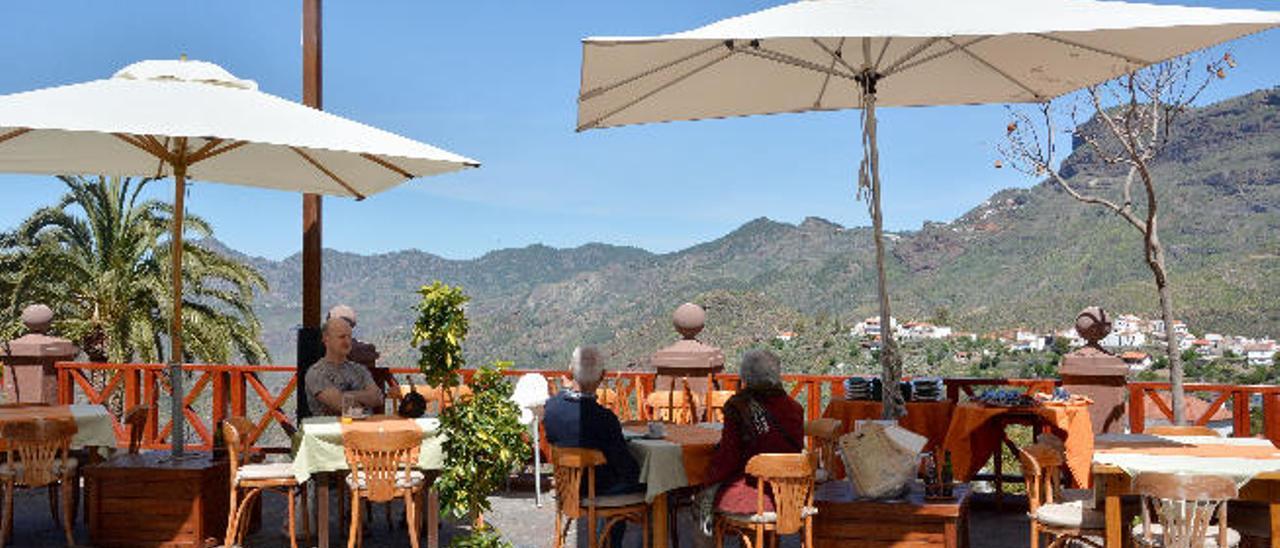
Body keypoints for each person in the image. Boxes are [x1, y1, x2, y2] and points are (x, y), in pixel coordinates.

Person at [543, 346, 642, 544]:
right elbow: (625, 467)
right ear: (602, 376)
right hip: (594, 492)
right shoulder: (604, 419)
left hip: (566, 488)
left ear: (570, 372)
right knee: (657, 490)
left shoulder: (551, 407)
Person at [703, 349, 804, 517]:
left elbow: (729, 457)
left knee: (702, 504)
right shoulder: (795, 408)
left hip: (754, 495)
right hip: (790, 494)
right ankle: (764, 541)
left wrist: (706, 480)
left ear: (745, 375)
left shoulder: (738, 407)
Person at [305, 316, 385, 416]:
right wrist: (365, 397)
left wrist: (347, 395)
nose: (347, 342)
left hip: (366, 428)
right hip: (333, 430)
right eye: (342, 337)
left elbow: (378, 398)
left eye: (349, 337)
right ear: (326, 339)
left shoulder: (359, 369)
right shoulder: (316, 373)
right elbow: (341, 406)